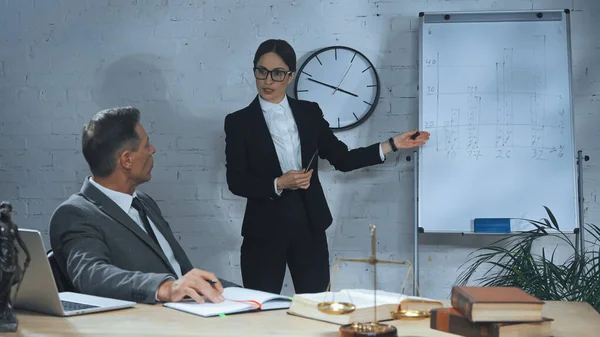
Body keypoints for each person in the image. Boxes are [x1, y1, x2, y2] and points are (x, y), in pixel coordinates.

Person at [224, 39, 430, 295]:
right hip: (263, 233)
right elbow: (236, 180)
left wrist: (392, 144)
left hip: (310, 228)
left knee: (316, 307)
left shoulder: (309, 113)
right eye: (261, 71)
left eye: (277, 73)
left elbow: (342, 159)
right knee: (261, 311)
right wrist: (279, 183)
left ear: (290, 76)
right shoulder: (238, 122)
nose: (268, 80)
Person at [49, 107, 237, 304]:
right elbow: (91, 275)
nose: (153, 150)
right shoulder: (76, 213)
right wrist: (165, 288)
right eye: (147, 145)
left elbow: (180, 272)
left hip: (191, 311)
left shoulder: (144, 203)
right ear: (127, 160)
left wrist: (241, 294)